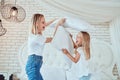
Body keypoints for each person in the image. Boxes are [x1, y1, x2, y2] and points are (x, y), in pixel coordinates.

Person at [25, 13, 64, 80]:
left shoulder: (35, 35)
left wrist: (55, 20)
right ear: (37, 24)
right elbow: (53, 39)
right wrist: (58, 25)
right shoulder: (36, 37)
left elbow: (45, 24)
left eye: (44, 22)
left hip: (34, 65)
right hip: (32, 66)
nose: (45, 24)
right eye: (43, 22)